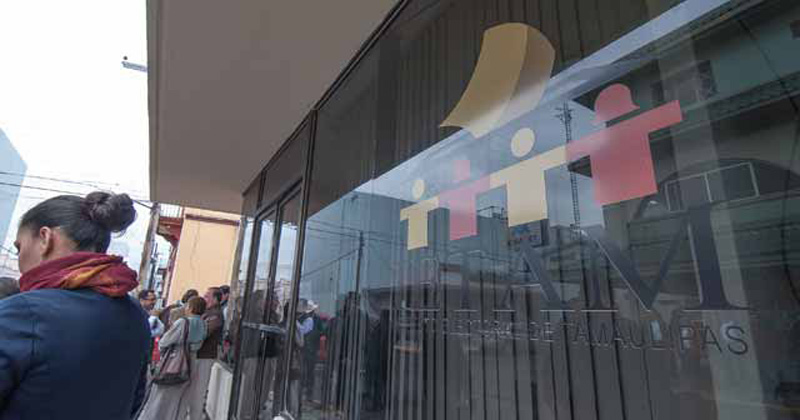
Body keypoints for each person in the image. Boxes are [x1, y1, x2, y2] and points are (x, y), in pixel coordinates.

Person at [0, 192, 150, 419]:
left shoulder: (22, 313)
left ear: (45, 238)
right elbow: (136, 400)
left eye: (19, 247)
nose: (20, 260)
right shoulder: (136, 316)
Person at [137, 296, 208, 420]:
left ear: (191, 307)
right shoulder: (204, 324)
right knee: (181, 397)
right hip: (192, 360)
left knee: (162, 394)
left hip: (176, 359)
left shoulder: (183, 322)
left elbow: (165, 341)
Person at [189, 287, 224, 420]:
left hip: (205, 356)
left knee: (198, 392)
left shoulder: (216, 315)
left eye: (207, 296)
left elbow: (203, 333)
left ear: (215, 299)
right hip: (198, 355)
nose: (204, 299)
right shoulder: (207, 312)